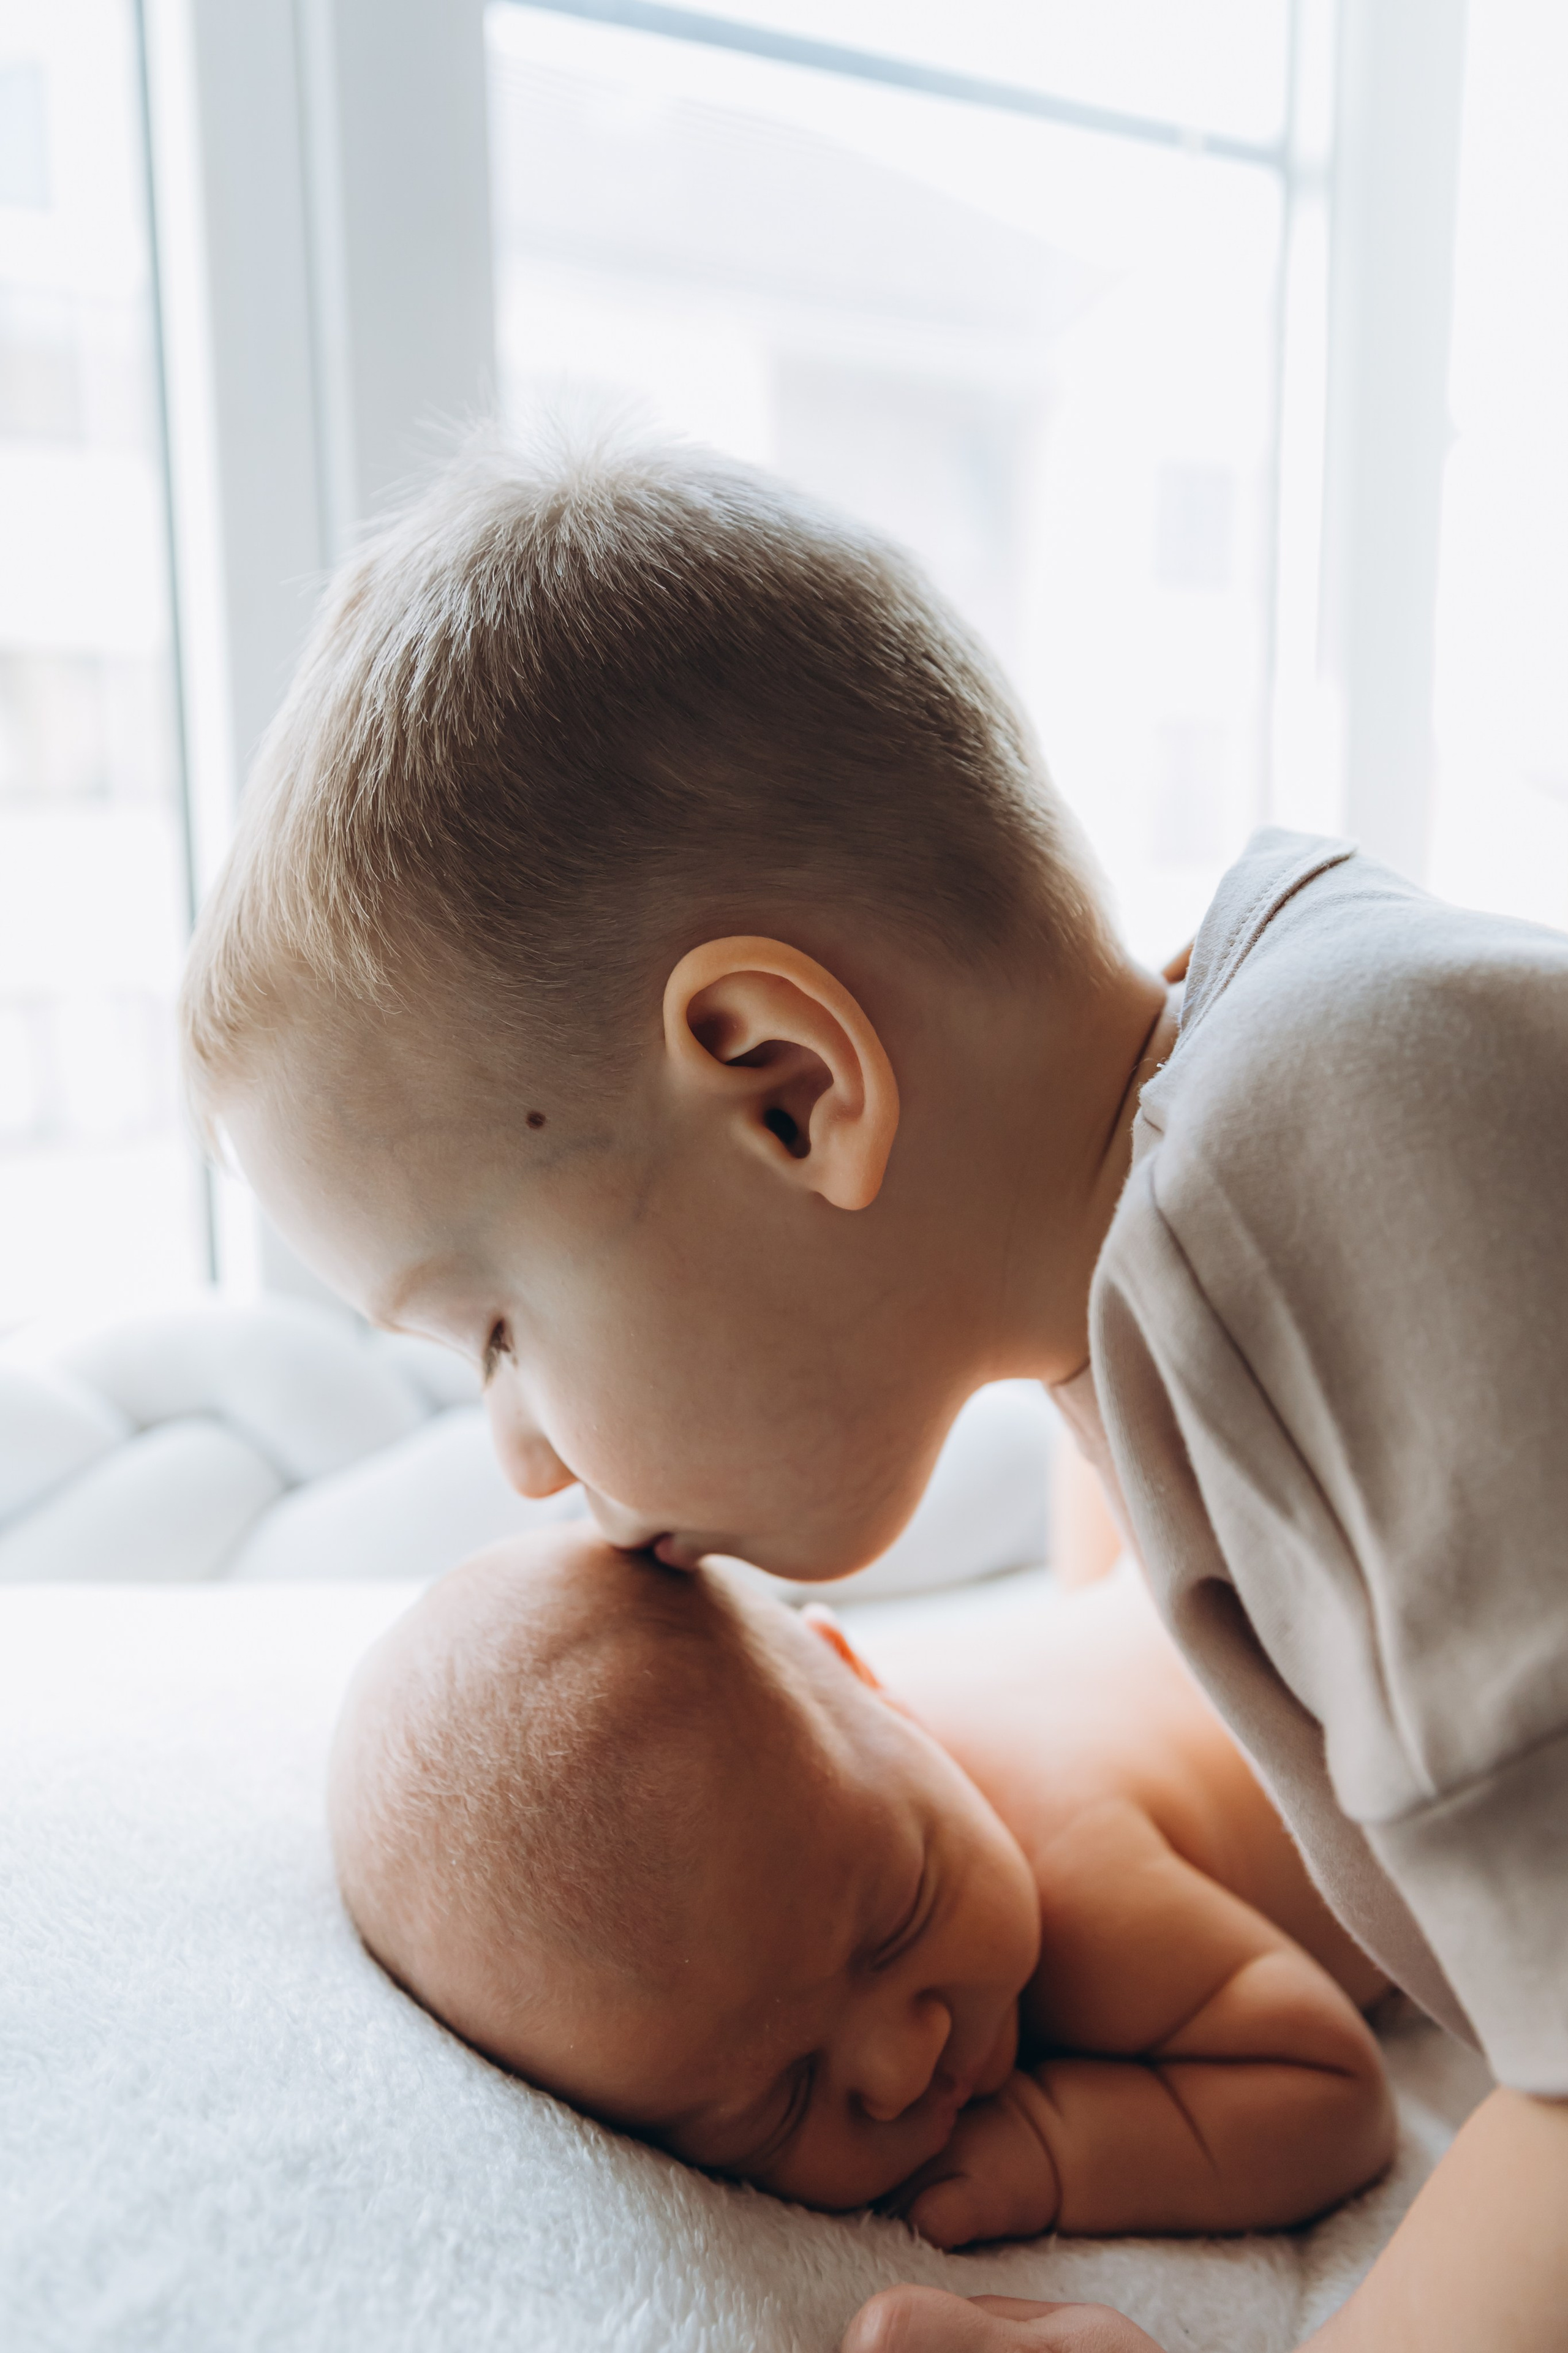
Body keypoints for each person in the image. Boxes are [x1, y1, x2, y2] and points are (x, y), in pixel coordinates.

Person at [181, 426, 1568, 2351]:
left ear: (787, 1086)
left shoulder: (1334, 1142)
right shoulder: (1171, 1265)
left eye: (497, 1329)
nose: (520, 1460)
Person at [329, 1528, 1394, 2244]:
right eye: (781, 2094)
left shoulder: (1083, 1879)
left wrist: (1061, 2146)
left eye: (898, 1919)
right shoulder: (828, 1805)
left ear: (873, 1683)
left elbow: (1335, 2093)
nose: (903, 2060)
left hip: (1370, 1661)